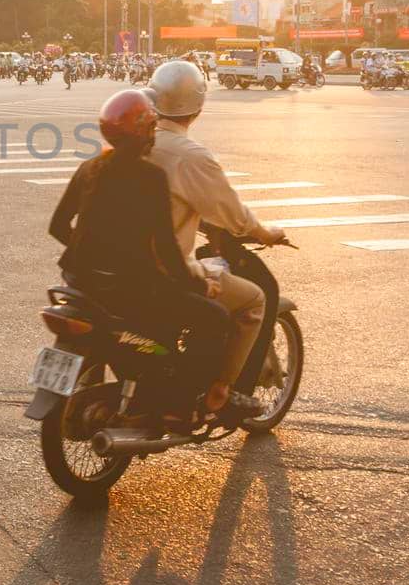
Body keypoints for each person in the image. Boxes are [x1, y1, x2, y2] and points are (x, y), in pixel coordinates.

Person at [49, 89, 231, 426]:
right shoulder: (151, 177)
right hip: (132, 293)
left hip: (80, 285)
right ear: (145, 132)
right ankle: (179, 406)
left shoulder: (89, 168)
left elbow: (58, 225)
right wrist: (201, 284)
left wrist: (88, 252)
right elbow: (166, 248)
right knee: (216, 318)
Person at [146, 60, 289, 421]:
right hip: (164, 274)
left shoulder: (131, 145)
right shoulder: (191, 156)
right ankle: (223, 391)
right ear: (198, 107)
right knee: (254, 300)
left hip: (116, 266)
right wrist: (266, 234)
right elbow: (235, 216)